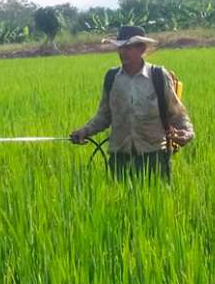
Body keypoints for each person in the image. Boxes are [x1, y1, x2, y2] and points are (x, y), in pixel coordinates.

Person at [70, 26, 194, 180]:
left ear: (141, 48)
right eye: (120, 48)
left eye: (128, 47)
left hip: (154, 156)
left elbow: (177, 113)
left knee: (155, 202)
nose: (122, 52)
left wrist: (187, 132)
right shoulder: (112, 78)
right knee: (119, 201)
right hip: (120, 158)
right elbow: (104, 115)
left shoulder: (158, 76)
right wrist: (85, 131)